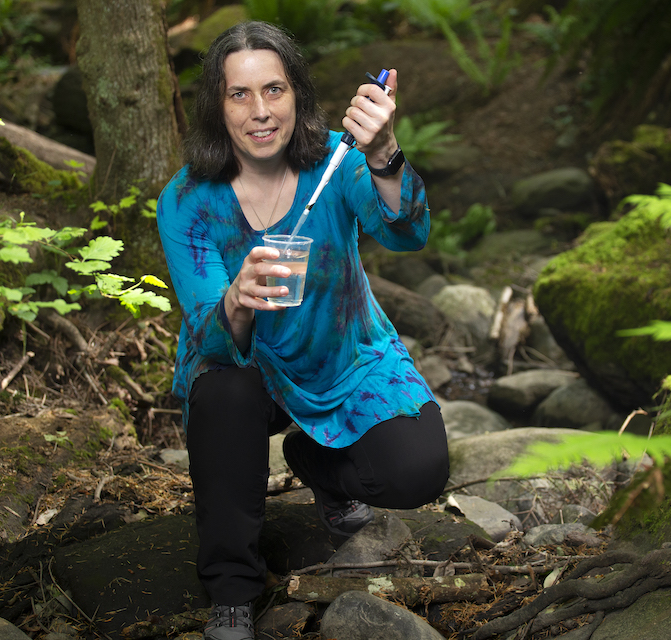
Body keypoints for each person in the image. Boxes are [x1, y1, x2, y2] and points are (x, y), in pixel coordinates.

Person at [156, 21, 450, 640]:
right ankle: (233, 588)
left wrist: (383, 154)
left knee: (419, 468)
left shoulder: (337, 166)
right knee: (224, 391)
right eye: (239, 94)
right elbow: (211, 335)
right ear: (217, 104)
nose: (260, 112)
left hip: (340, 354)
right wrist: (237, 298)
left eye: (275, 90)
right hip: (248, 364)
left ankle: (315, 461)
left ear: (298, 97)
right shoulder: (188, 199)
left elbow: (408, 232)